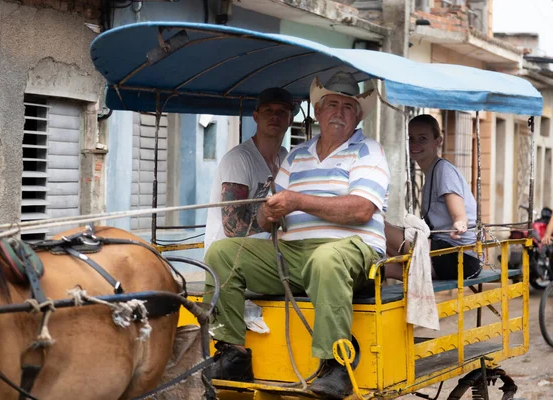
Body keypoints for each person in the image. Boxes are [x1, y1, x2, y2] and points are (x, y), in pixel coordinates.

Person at [203, 71, 390, 399]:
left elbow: (361, 210)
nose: (338, 112)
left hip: (350, 251)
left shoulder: (368, 151)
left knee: (326, 259)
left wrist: (297, 201)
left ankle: (335, 363)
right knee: (221, 252)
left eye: (348, 106)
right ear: (318, 112)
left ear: (358, 115)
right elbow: (267, 217)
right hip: (293, 254)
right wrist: (268, 211)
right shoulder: (296, 156)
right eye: (331, 104)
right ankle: (232, 353)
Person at [384, 114, 481, 280]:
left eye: (423, 138)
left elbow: (459, 215)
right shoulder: (431, 172)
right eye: (411, 138)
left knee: (378, 226)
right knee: (381, 262)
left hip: (456, 257)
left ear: (438, 141)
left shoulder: (443, 170)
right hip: (445, 254)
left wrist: (459, 223)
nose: (415, 144)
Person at [203, 87, 296, 252]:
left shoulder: (285, 157)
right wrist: (278, 235)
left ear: (290, 120)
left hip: (266, 250)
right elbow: (232, 228)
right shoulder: (239, 159)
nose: (275, 116)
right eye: (268, 110)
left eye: (282, 112)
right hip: (228, 253)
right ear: (256, 117)